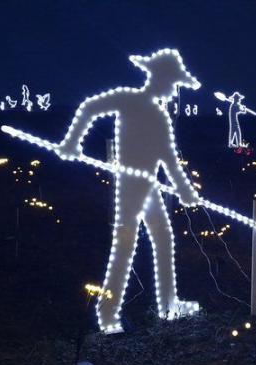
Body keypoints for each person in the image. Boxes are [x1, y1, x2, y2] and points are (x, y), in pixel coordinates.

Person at [54, 49, 202, 333]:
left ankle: (169, 306)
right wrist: (72, 142)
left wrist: (185, 190)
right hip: (130, 187)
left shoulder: (161, 117)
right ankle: (108, 315)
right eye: (173, 84)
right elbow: (88, 107)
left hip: (148, 186)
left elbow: (168, 159)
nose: (174, 90)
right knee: (125, 246)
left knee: (164, 239)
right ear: (159, 79)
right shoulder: (129, 100)